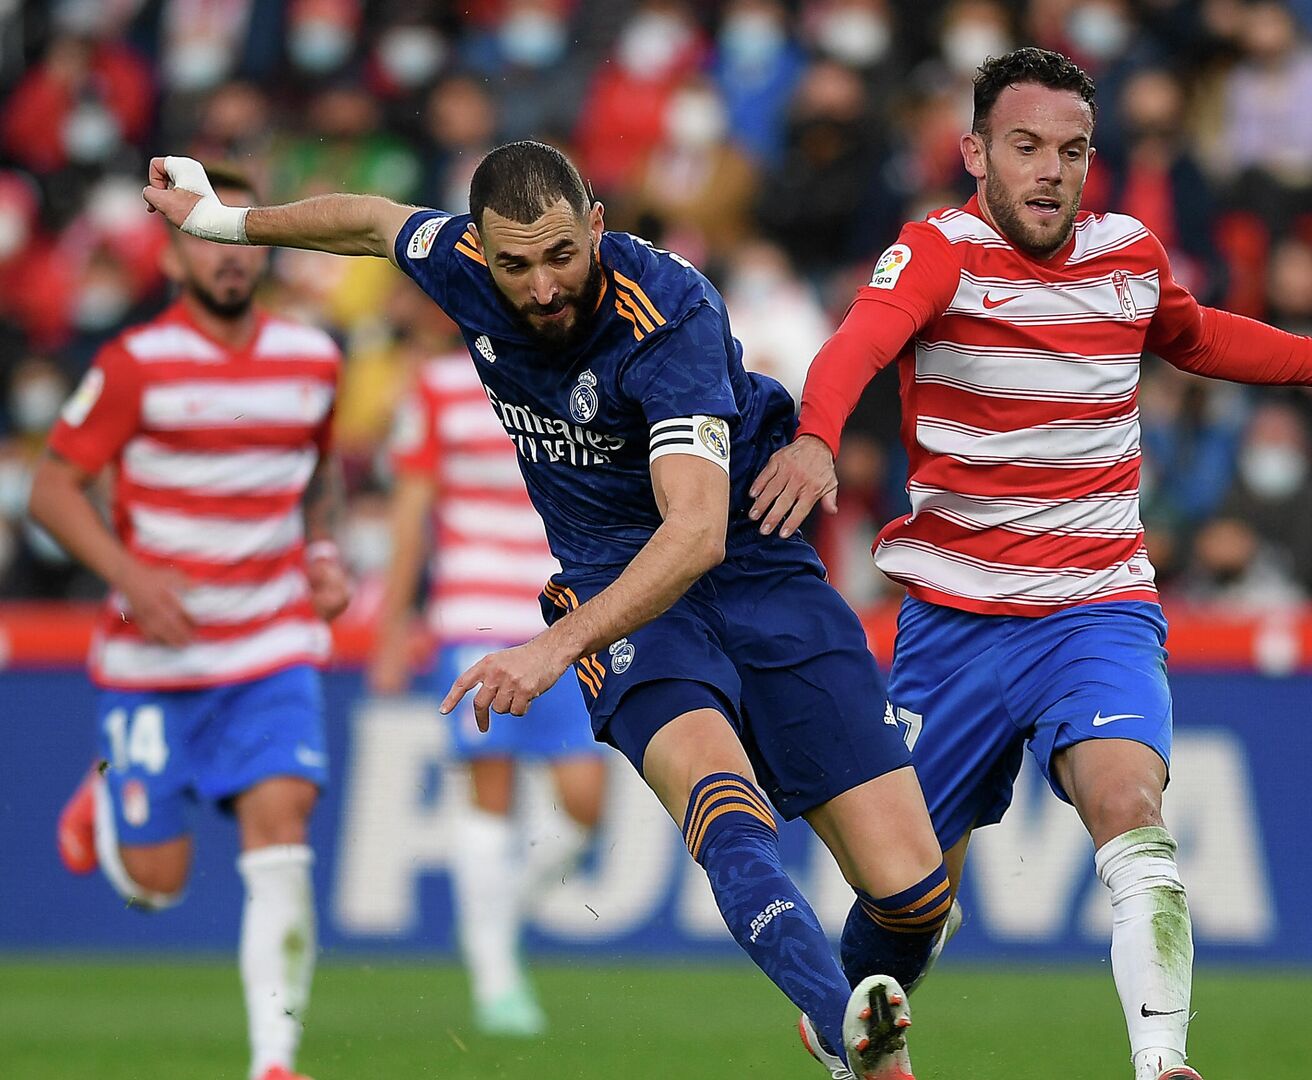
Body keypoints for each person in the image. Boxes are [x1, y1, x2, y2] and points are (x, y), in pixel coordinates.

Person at [140, 143, 946, 1080]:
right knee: (719, 797)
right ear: (479, 247)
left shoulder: (668, 311)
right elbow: (366, 220)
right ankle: (846, 1032)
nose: (543, 286)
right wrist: (220, 222)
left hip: (747, 561)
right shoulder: (462, 265)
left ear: (597, 224)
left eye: (562, 255)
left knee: (915, 898)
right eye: (515, 264)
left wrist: (550, 650)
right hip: (619, 591)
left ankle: (836, 1014)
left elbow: (695, 534)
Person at [748, 48, 1312, 1080]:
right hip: (953, 628)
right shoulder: (938, 252)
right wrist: (817, 435)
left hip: (1095, 608)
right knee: (907, 902)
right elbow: (856, 344)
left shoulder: (1127, 255)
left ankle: (1162, 1060)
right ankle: (844, 1030)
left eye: (1072, 151)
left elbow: (1203, 336)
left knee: (1130, 802)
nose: (1050, 170)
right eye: (1026, 146)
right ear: (975, 153)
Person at [32, 163, 348, 1080]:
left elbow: (321, 477)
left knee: (282, 831)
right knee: (158, 889)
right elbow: (52, 489)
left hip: (270, 645)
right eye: (197, 235)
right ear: (172, 255)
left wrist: (322, 556)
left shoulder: (314, 359)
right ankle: (105, 787)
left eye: (233, 233)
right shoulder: (133, 365)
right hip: (152, 660)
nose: (223, 258)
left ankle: (275, 1060)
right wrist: (129, 573)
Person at [368, 323, 608, 1038]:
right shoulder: (439, 385)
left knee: (584, 804)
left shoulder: (573, 376)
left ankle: (494, 920)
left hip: (562, 618)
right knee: (492, 791)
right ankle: (495, 975)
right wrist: (390, 626)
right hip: (471, 616)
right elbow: (412, 513)